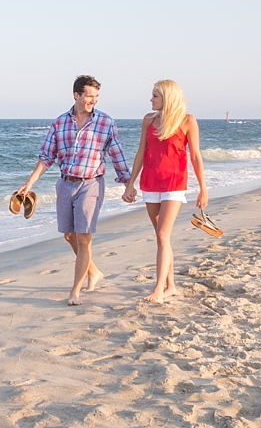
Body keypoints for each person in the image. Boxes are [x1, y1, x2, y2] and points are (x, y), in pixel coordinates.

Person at [18, 75, 131, 305]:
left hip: (91, 183)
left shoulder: (106, 123)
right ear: (76, 95)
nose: (93, 101)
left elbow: (117, 154)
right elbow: (46, 157)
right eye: (89, 96)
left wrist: (127, 183)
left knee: (83, 238)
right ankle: (94, 272)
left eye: (96, 97)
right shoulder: (60, 123)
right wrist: (29, 184)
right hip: (65, 183)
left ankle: (75, 291)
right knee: (69, 235)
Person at [121, 79, 208, 304]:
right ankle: (171, 286)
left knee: (162, 235)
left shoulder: (188, 121)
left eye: (155, 96)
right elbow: (141, 152)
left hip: (174, 184)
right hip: (150, 182)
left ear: (167, 98)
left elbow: (196, 156)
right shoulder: (148, 120)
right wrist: (130, 183)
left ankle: (158, 289)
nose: (151, 100)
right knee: (162, 238)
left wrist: (202, 189)